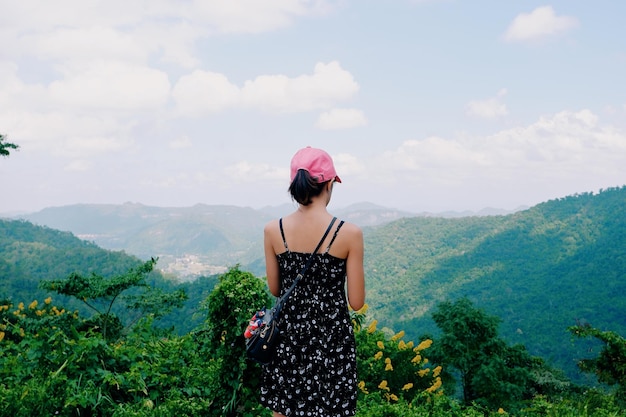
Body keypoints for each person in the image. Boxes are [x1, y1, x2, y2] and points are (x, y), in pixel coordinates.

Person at [260, 146, 366, 417]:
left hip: (288, 337)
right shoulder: (349, 234)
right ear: (329, 183)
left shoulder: (274, 230)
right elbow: (356, 302)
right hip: (332, 341)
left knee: (284, 410)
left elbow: (275, 289)